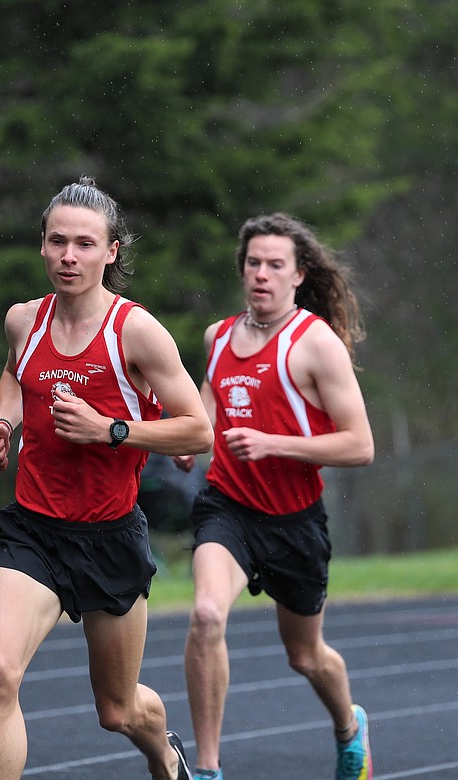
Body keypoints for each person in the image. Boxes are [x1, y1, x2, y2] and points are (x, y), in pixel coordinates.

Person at [0, 177, 213, 780]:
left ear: (111, 252)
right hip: (35, 530)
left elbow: (197, 430)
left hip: (109, 536)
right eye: (57, 242)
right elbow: (13, 376)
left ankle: (166, 753)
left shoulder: (136, 331)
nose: (68, 256)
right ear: (43, 246)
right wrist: (5, 424)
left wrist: (111, 430)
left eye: (84, 244)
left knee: (118, 709)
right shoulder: (23, 321)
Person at [173, 213, 376, 780]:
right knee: (207, 615)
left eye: (274, 265)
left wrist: (274, 444)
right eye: (253, 263)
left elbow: (360, 445)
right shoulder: (217, 337)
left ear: (298, 275)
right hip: (229, 509)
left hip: (295, 522)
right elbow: (209, 412)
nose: (261, 274)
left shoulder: (316, 345)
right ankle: (209, 770)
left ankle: (348, 727)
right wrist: (192, 442)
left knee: (305, 656)